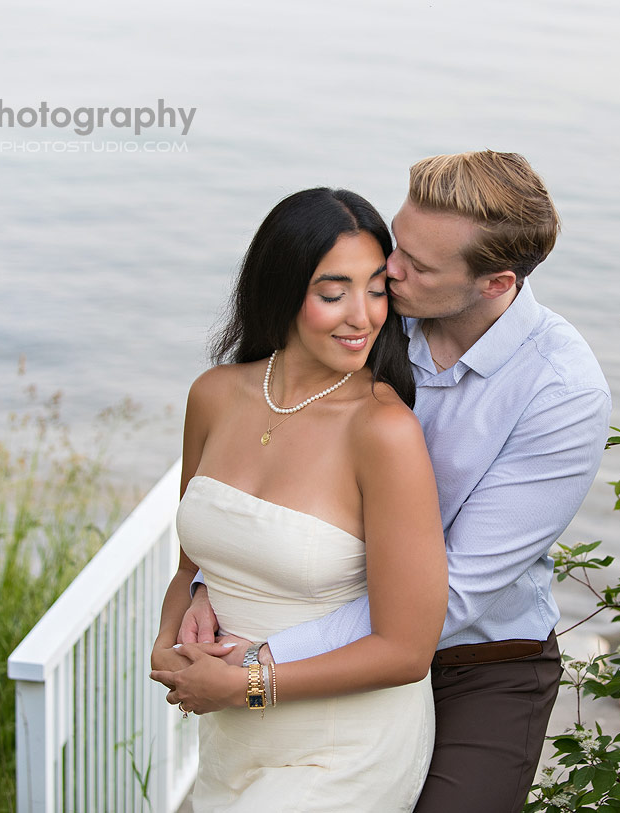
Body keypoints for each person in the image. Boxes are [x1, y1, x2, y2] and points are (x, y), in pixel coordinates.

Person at [175, 151, 612, 812]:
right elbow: (275, 454)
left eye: (417, 265)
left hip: (480, 660)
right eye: (396, 245)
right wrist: (214, 581)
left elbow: (451, 598)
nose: (390, 270)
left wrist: (262, 659)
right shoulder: (373, 319)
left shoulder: (561, 392)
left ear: (494, 283)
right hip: (322, 634)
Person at [149, 187, 448, 812]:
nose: (362, 317)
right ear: (283, 290)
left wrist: (247, 686)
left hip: (344, 747)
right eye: (333, 293)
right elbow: (191, 563)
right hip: (232, 737)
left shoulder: (383, 432)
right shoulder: (214, 394)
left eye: (375, 290)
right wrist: (168, 635)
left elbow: (407, 650)